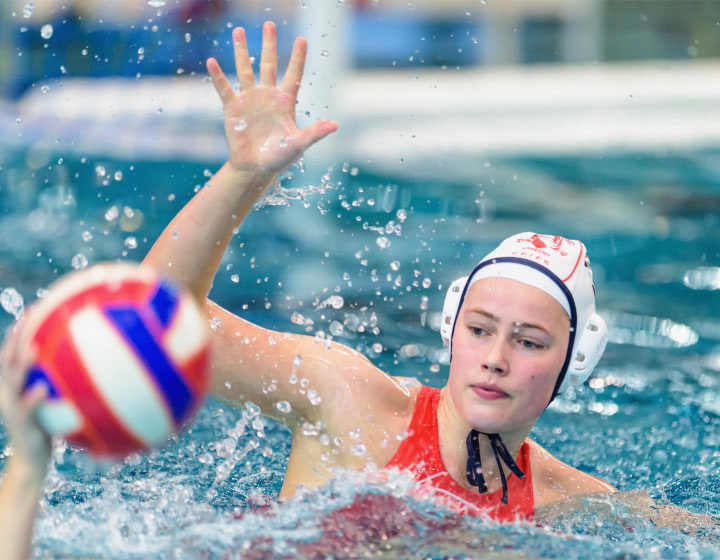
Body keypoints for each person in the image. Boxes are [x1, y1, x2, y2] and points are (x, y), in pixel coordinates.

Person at [141, 20, 617, 521]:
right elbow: (158, 318)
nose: (495, 359)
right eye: (479, 330)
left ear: (577, 359)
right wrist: (243, 176)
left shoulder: (572, 502)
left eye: (529, 341)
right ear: (451, 328)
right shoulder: (349, 400)